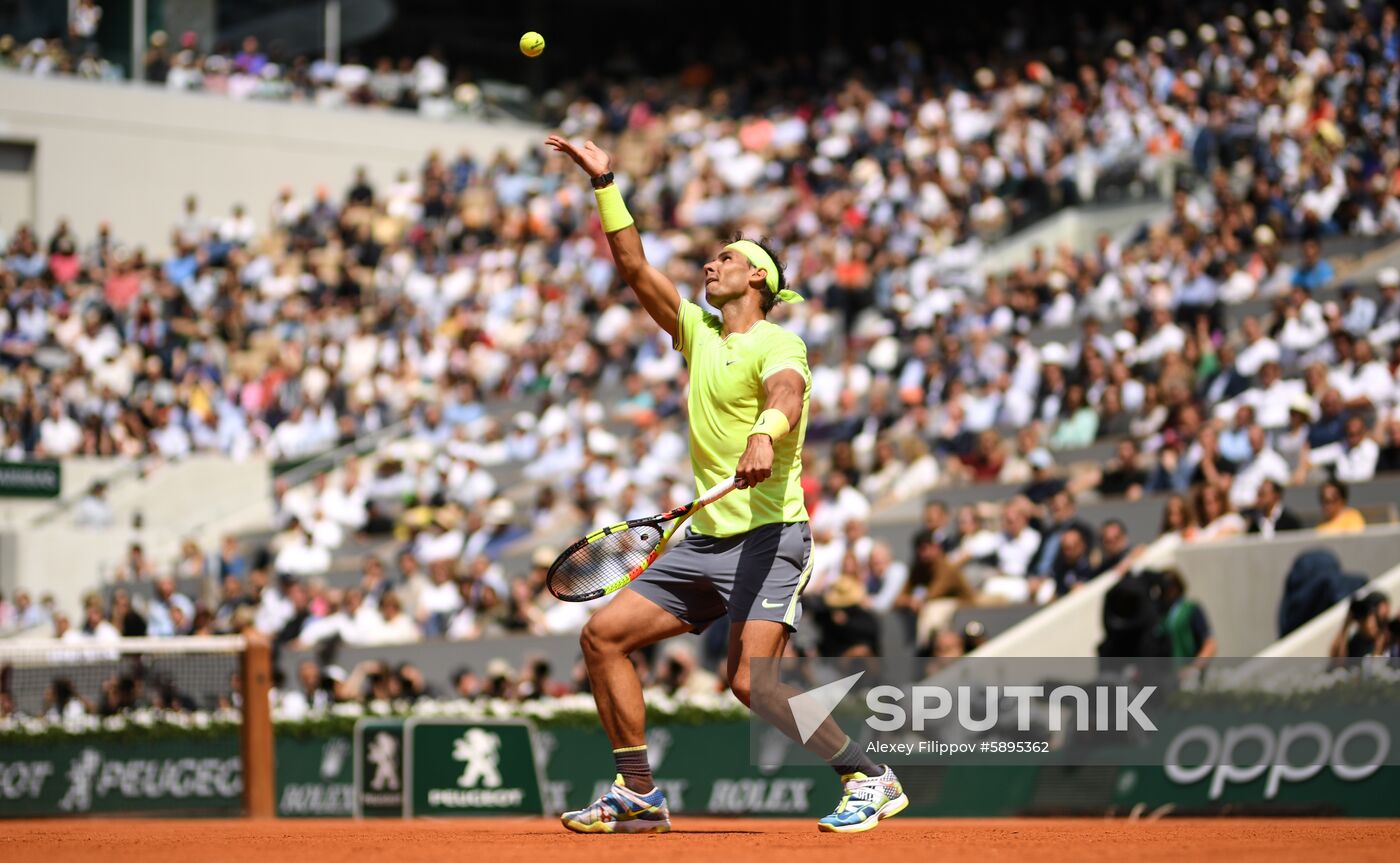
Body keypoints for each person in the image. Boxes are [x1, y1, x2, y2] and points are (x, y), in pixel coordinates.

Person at [547, 134, 904, 835]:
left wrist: (767, 431)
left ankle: (869, 774)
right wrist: (605, 182)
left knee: (753, 683)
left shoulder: (779, 341)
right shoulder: (697, 334)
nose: (712, 263)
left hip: (771, 538)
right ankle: (639, 791)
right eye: (712, 257)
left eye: (728, 257)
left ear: (760, 280)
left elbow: (787, 392)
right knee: (602, 637)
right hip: (706, 540)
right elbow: (631, 263)